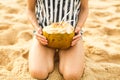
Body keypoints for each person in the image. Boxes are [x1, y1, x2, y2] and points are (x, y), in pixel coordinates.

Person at [27, 0, 88, 80]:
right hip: (44, 36)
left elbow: (84, 8)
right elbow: (30, 9)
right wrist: (37, 29)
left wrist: (78, 28)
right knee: (38, 73)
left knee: (72, 75)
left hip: (71, 38)